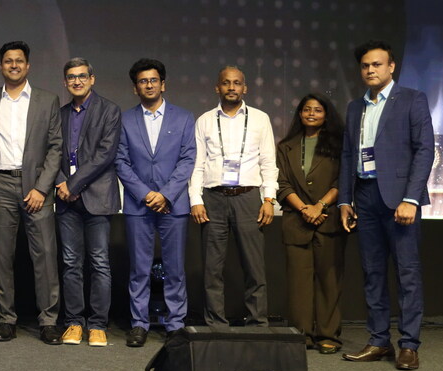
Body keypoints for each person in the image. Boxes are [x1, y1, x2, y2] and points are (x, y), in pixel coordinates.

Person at [339, 40, 433, 371]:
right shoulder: (355, 107)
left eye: (377, 64)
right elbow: (348, 155)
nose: (370, 70)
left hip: (400, 199)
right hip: (365, 196)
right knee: (372, 272)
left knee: (407, 273)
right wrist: (345, 199)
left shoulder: (412, 99)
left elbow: (424, 149)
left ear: (391, 67)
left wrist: (411, 198)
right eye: (365, 65)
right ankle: (379, 340)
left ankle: (409, 345)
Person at [0, 42, 63, 345]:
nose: (13, 65)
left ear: (28, 66)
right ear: (0, 66)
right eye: (8, 61)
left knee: (45, 256)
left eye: (19, 61)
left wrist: (42, 188)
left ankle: (48, 321)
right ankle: (6, 319)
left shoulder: (47, 100)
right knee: (1, 256)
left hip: (36, 186)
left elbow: (55, 147)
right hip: (0, 184)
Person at [189, 66, 278, 327]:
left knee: (254, 267)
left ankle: (257, 324)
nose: (231, 87)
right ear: (217, 87)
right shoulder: (205, 120)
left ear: (244, 88)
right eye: (226, 83)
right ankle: (216, 325)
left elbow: (268, 162)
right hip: (213, 198)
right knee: (212, 268)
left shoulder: (260, 118)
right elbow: (197, 164)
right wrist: (195, 199)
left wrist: (269, 199)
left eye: (237, 83)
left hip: (248, 197)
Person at [116, 59, 196, 347]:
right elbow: (121, 161)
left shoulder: (184, 117)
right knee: (139, 268)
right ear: (135, 87)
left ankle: (175, 324)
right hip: (138, 205)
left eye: (153, 80)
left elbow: (188, 159)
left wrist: (166, 194)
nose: (148, 85)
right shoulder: (125, 119)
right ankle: (139, 323)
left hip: (174, 204)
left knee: (175, 268)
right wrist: (145, 194)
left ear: (163, 84)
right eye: (142, 81)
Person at [54, 58, 121, 347]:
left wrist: (73, 184)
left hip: (97, 196)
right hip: (65, 199)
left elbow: (105, 154)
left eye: (82, 76)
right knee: (70, 263)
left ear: (92, 79)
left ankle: (97, 325)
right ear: (65, 82)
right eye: (71, 77)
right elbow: (51, 152)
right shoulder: (59, 114)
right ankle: (73, 323)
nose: (77, 81)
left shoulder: (110, 110)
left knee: (99, 263)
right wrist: (62, 183)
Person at [276, 94, 347, 354]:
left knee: (329, 281)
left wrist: (320, 206)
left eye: (317, 110)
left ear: (326, 115)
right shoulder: (286, 146)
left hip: (329, 220)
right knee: (298, 282)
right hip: (297, 220)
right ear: (300, 114)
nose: (311, 114)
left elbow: (342, 181)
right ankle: (301, 334)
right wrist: (304, 208)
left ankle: (328, 335)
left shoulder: (339, 145)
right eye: (307, 109)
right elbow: (281, 183)